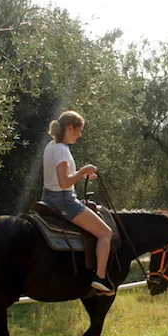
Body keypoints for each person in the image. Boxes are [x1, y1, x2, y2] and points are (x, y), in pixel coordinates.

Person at [42, 110, 114, 294]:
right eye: (79, 130)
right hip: (65, 201)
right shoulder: (62, 150)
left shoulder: (51, 146)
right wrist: (83, 171)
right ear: (70, 127)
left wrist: (81, 175)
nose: (80, 135)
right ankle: (100, 278)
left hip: (48, 198)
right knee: (106, 233)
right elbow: (64, 182)